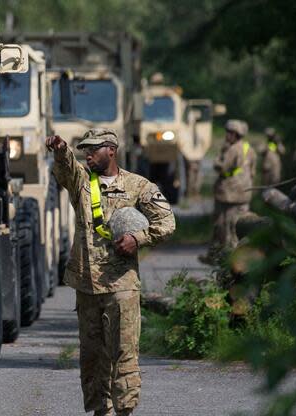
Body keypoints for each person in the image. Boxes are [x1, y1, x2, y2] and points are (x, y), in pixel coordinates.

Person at [46, 128, 176, 416]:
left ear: (112, 150)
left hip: (121, 286)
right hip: (87, 284)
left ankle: (125, 410)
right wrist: (60, 149)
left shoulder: (138, 186)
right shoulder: (81, 181)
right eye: (84, 150)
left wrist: (138, 239)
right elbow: (66, 166)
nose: (88, 154)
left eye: (94, 149)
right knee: (93, 357)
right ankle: (100, 411)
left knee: (123, 354)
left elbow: (167, 222)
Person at [200, 119, 257, 264]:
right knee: (238, 225)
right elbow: (253, 171)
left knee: (224, 227)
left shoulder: (232, 149)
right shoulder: (248, 148)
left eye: (230, 133)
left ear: (236, 134)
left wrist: (218, 158)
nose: (227, 135)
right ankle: (225, 256)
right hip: (244, 193)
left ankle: (226, 259)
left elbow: (221, 167)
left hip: (228, 193)